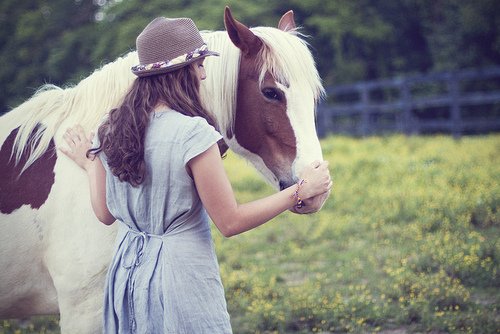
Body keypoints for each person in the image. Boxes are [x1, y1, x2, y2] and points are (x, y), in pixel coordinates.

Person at [60, 17, 331, 334]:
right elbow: (230, 222)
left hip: (128, 277)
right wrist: (297, 193)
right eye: (198, 64)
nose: (205, 74)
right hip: (180, 279)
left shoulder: (112, 128)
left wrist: (92, 165)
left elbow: (105, 214)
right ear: (179, 72)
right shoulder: (194, 135)